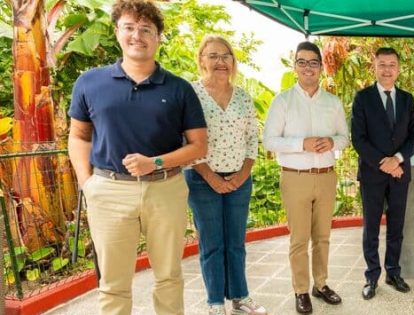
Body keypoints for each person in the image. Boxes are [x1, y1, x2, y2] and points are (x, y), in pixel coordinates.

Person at [67, 0, 207, 314]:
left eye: (146, 29)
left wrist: (155, 162)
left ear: (158, 37)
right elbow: (78, 136)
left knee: (169, 275)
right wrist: (87, 183)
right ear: (117, 32)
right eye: (129, 27)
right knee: (113, 283)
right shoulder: (90, 83)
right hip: (109, 190)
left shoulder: (179, 88)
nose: (137, 35)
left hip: (165, 189)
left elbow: (199, 146)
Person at [263, 41, 348, 314]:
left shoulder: (332, 102)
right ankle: (301, 290)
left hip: (325, 176)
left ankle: (320, 284)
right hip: (295, 177)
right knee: (299, 239)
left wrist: (330, 141)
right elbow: (269, 140)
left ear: (321, 67)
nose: (308, 67)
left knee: (322, 236)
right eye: (302, 62)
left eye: (313, 62)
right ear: (295, 65)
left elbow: (345, 138)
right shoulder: (282, 101)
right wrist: (303, 143)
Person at [186, 35, 266, 315]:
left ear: (233, 62)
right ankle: (215, 303)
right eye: (213, 56)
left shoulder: (243, 96)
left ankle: (240, 297)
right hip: (201, 179)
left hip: (239, 180)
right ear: (201, 60)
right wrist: (211, 177)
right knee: (211, 243)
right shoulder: (191, 94)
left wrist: (242, 174)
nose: (221, 62)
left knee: (236, 242)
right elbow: (185, 140)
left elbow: (251, 140)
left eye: (226, 56)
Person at [351, 47, 414, 300]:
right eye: (382, 64)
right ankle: (372, 276)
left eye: (392, 64)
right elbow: (358, 139)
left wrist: (398, 160)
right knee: (371, 227)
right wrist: (384, 162)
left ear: (399, 68)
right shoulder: (363, 98)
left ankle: (393, 272)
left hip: (400, 173)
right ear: (375, 67)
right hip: (372, 174)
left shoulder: (407, 99)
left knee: (396, 226)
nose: (387, 69)